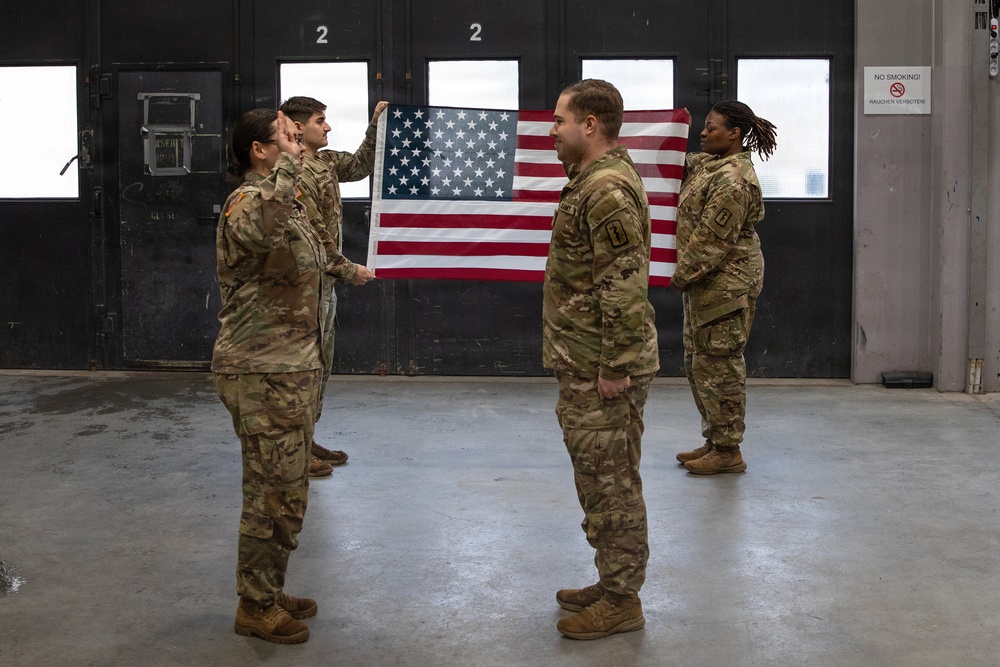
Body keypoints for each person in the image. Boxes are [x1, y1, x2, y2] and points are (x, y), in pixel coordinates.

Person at [543, 79, 659, 640]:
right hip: (588, 361)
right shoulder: (592, 182)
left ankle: (621, 600)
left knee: (611, 484)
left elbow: (624, 288)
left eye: (560, 120)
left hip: (601, 368)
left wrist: (614, 367)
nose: (552, 129)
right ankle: (612, 580)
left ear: (589, 124)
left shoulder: (606, 189)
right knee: (601, 480)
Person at [212, 108, 326, 644]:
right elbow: (260, 234)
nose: (297, 141)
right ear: (259, 150)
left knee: (289, 489)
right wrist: (291, 166)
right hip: (260, 371)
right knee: (269, 494)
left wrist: (353, 270)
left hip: (290, 368)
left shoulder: (286, 201)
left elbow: (312, 255)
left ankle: (269, 587)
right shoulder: (248, 202)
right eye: (284, 136)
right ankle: (254, 606)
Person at [278, 95, 385, 478]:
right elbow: (313, 234)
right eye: (320, 121)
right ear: (297, 127)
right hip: (304, 286)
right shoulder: (292, 173)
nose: (328, 127)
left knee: (320, 365)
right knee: (302, 368)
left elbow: (359, 165)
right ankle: (294, 447)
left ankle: (306, 436)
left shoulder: (323, 163)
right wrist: (346, 269)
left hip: (323, 286)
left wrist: (376, 127)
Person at [671, 100, 776, 475]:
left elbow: (711, 241)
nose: (702, 132)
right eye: (704, 126)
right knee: (698, 362)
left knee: (720, 365)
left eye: (712, 128)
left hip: (725, 283)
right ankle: (715, 440)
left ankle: (729, 450)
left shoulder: (733, 179)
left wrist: (678, 274)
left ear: (734, 135)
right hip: (705, 282)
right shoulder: (710, 165)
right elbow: (675, 162)